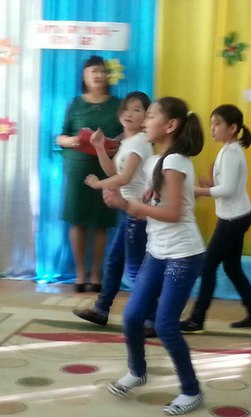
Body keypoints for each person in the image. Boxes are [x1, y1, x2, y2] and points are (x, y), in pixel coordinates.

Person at [102, 97, 206, 415]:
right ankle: (137, 371)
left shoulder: (175, 162)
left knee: (165, 324)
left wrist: (129, 205)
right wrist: (133, 201)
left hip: (183, 255)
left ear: (170, 125)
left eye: (150, 116)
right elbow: (155, 207)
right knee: (133, 317)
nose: (144, 121)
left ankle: (191, 390)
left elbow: (173, 213)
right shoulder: (157, 161)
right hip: (158, 252)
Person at [179, 104, 251, 333]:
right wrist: (209, 185)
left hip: (233, 219)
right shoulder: (229, 150)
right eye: (212, 124)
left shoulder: (232, 153)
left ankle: (197, 319)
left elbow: (227, 189)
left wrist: (199, 191)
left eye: (217, 124)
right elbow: (227, 186)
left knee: (208, 267)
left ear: (233, 128)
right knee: (232, 268)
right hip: (235, 216)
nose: (213, 128)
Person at [73, 91, 153, 326]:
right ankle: (101, 309)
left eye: (137, 110)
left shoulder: (140, 143)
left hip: (138, 213)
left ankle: (154, 317)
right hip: (130, 212)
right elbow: (113, 171)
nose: (130, 113)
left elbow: (124, 178)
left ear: (146, 117)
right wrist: (99, 146)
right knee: (115, 262)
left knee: (134, 270)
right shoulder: (128, 142)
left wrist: (99, 185)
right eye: (126, 108)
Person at [56, 55, 123, 293]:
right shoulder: (75, 103)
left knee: (101, 222)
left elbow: (128, 133)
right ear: (84, 77)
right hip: (77, 169)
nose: (97, 75)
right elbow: (60, 136)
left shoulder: (118, 104)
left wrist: (116, 144)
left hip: (106, 169)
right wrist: (71, 140)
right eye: (92, 71)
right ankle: (80, 274)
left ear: (107, 76)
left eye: (101, 71)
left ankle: (96, 273)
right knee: (78, 221)